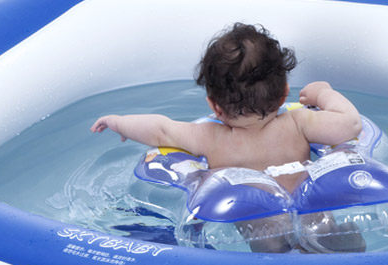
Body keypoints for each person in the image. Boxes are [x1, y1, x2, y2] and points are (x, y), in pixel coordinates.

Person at [91, 23, 365, 253]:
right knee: (331, 239)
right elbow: (350, 124)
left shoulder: (210, 138)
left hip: (263, 231)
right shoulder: (299, 123)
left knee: (271, 253)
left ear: (215, 106)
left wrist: (120, 123)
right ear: (284, 93)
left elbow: (162, 130)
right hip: (312, 217)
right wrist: (323, 93)